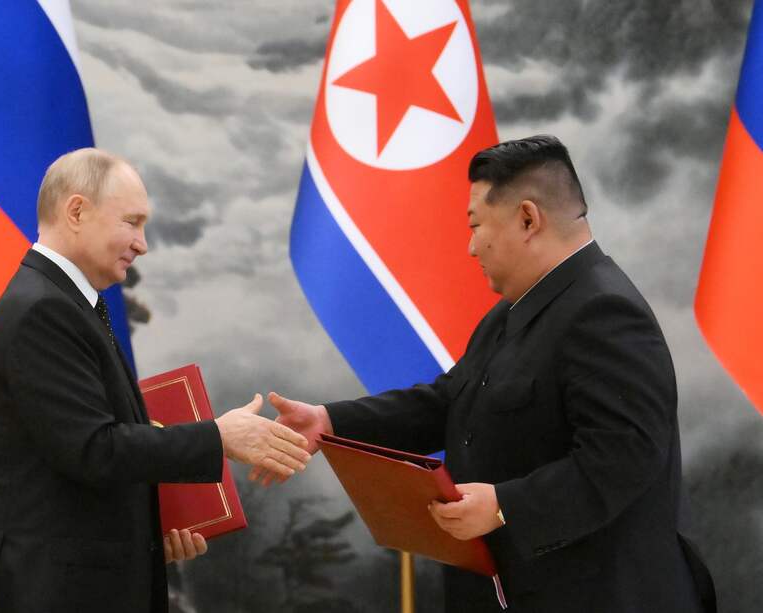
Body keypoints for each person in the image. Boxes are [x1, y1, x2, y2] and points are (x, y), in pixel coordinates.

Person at [259, 136, 715, 612]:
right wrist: (331, 422)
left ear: (527, 219)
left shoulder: (606, 310)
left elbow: (623, 458)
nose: (471, 246)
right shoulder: (513, 312)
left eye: (476, 226)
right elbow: (449, 401)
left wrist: (504, 506)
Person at [0, 148, 311, 613]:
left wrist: (151, 531)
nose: (142, 244)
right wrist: (219, 437)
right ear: (77, 211)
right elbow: (94, 450)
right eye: (132, 222)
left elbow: (74, 464)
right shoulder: (44, 310)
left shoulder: (65, 303)